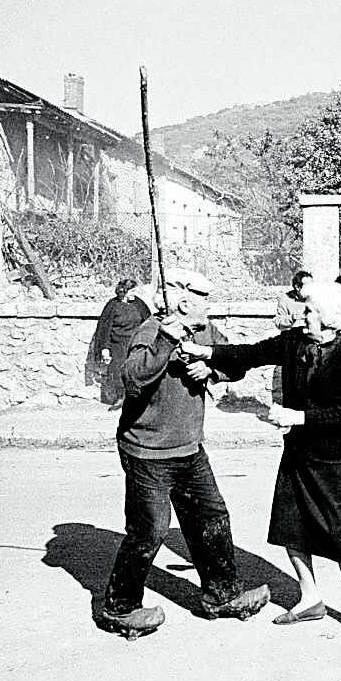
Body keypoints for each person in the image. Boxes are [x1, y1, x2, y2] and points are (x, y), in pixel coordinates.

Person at [183, 281, 341, 642]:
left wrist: (296, 417)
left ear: (331, 319)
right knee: (293, 526)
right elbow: (249, 354)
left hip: (339, 460)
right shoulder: (296, 341)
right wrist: (203, 352)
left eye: (311, 310)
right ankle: (311, 598)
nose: (304, 314)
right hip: (300, 453)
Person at [96, 268, 270, 639]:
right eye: (203, 298)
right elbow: (132, 379)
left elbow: (234, 361)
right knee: (150, 530)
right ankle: (119, 608)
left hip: (189, 447)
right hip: (147, 452)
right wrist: (164, 342)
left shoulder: (205, 331)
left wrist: (211, 371)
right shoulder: (150, 331)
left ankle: (221, 597)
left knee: (211, 517)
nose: (209, 304)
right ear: (184, 301)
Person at [92, 278, 150, 409]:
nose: (135, 293)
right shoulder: (112, 305)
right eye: (132, 291)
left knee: (137, 371)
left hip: (136, 344)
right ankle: (120, 398)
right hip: (118, 345)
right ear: (124, 291)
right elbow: (104, 328)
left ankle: (137, 399)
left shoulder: (139, 304)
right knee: (118, 372)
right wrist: (104, 348)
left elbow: (148, 323)